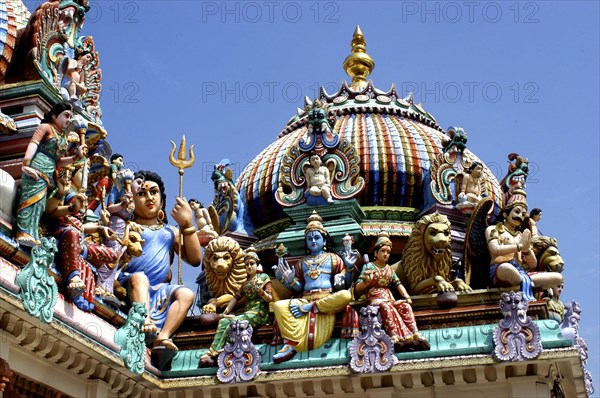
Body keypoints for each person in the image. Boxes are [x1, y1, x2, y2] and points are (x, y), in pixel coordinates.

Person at [117, 170, 202, 351]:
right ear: (131, 201)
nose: (149, 197)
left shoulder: (170, 232)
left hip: (160, 290)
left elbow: (195, 259)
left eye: (154, 192)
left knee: (186, 294)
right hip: (131, 284)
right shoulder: (129, 227)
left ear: (162, 201)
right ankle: (144, 320)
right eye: (141, 193)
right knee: (140, 278)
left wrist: (187, 224)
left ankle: (163, 336)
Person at [272, 212, 355, 363]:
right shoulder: (302, 262)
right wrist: (289, 280)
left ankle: (311, 308)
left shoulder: (333, 258)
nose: (313, 241)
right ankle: (291, 344)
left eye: (317, 237)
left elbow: (345, 284)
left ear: (324, 241)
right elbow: (298, 288)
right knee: (278, 306)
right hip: (305, 299)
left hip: (326, 299)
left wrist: (349, 268)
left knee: (345, 295)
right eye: (309, 239)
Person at [44, 165, 120, 311]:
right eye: (83, 171)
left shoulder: (80, 195)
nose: (87, 176)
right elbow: (49, 211)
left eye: (89, 172)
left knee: (113, 254)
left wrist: (100, 229)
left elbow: (82, 227)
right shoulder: (65, 189)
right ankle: (74, 277)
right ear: (72, 173)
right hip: (63, 234)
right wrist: (69, 205)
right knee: (72, 233)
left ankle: (83, 258)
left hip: (80, 242)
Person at [16, 102, 86, 246]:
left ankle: (33, 234)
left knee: (40, 205)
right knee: (30, 201)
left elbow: (58, 161)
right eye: (66, 115)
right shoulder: (45, 127)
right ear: (54, 116)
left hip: (49, 173)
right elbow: (33, 144)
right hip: (36, 168)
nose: (68, 119)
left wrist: (76, 157)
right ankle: (23, 232)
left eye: (70, 117)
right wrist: (26, 165)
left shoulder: (62, 138)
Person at [199, 246, 273, 367]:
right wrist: (226, 311)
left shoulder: (263, 278)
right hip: (247, 313)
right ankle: (212, 351)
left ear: (257, 264)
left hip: (259, 314)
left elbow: (270, 298)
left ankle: (221, 350)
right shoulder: (245, 283)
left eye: (252, 264)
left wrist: (262, 293)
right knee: (223, 321)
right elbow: (235, 298)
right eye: (247, 265)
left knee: (234, 322)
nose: (249, 267)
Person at [354, 234, 429, 351]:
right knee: (386, 307)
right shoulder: (369, 267)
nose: (385, 254)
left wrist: (406, 296)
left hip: (389, 298)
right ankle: (394, 335)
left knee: (405, 306)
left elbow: (398, 284)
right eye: (383, 251)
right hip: (375, 299)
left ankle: (414, 333)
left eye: (388, 252)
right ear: (375, 253)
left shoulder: (389, 269)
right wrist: (366, 282)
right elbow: (357, 288)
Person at [485, 189, 562, 301]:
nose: (520, 216)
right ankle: (527, 286)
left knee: (557, 278)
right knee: (507, 268)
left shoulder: (521, 235)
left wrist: (526, 250)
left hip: (521, 272)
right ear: (506, 213)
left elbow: (532, 264)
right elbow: (494, 250)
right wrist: (518, 246)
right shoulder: (494, 229)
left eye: (523, 214)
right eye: (517, 211)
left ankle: (524, 284)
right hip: (500, 269)